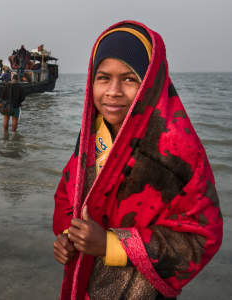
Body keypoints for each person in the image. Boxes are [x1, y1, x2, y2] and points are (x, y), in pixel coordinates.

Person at [52, 21, 223, 300]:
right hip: (85, 286)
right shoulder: (92, 136)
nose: (113, 91)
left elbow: (203, 237)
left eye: (130, 78)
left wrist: (111, 244)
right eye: (103, 77)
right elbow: (66, 194)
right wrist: (68, 236)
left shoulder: (177, 149)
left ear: (151, 82)